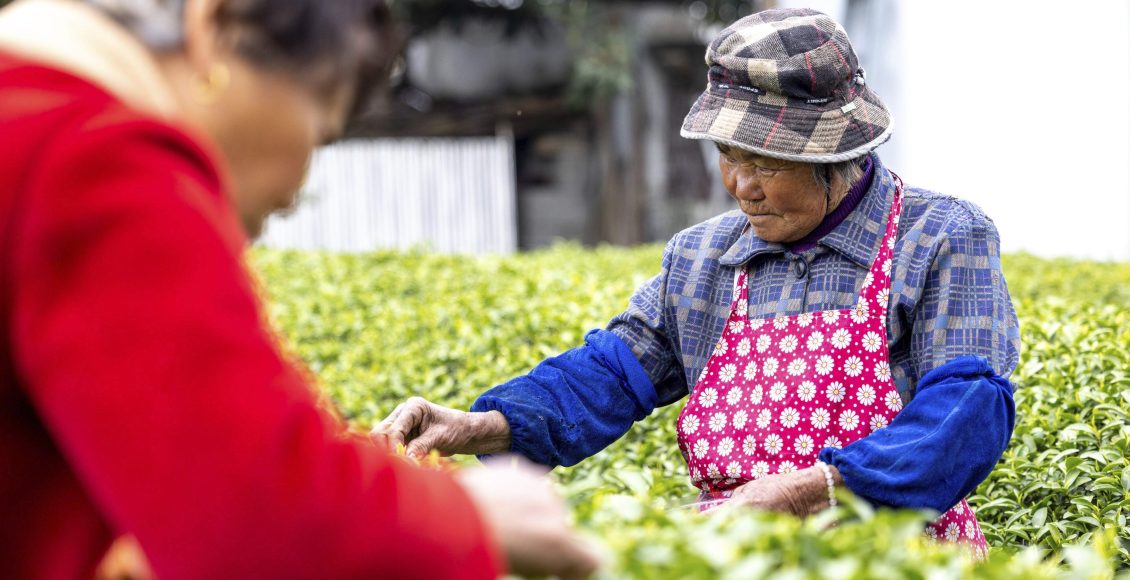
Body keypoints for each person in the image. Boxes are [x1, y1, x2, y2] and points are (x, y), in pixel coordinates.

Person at [375, 8, 1019, 555]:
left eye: (766, 162)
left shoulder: (940, 239)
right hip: (737, 559)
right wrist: (477, 424)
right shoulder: (702, 258)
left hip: (899, 560)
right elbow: (608, 375)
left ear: (834, 153)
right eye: (728, 156)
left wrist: (813, 490)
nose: (741, 186)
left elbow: (966, 415)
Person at [0, 0, 599, 578]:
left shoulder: (28, 114)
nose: (294, 192)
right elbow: (255, 519)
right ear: (215, 22)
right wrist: (471, 515)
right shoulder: (92, 158)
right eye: (319, 127)